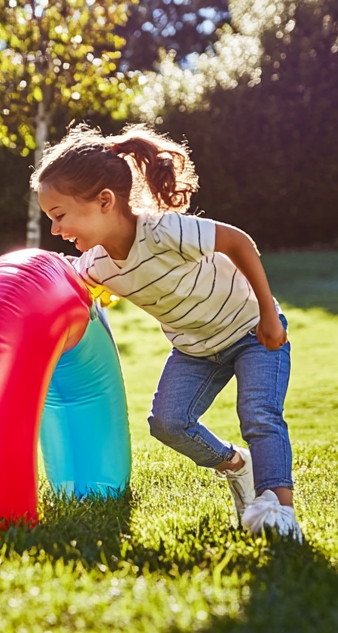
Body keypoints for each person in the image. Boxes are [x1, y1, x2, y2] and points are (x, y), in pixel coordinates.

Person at [33, 124, 301, 540]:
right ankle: (237, 465)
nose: (55, 230)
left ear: (105, 201)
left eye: (59, 216)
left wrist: (268, 313)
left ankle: (279, 512)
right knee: (168, 422)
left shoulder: (164, 231)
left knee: (259, 414)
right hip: (195, 350)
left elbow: (239, 242)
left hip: (250, 330)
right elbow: (68, 287)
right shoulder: (97, 266)